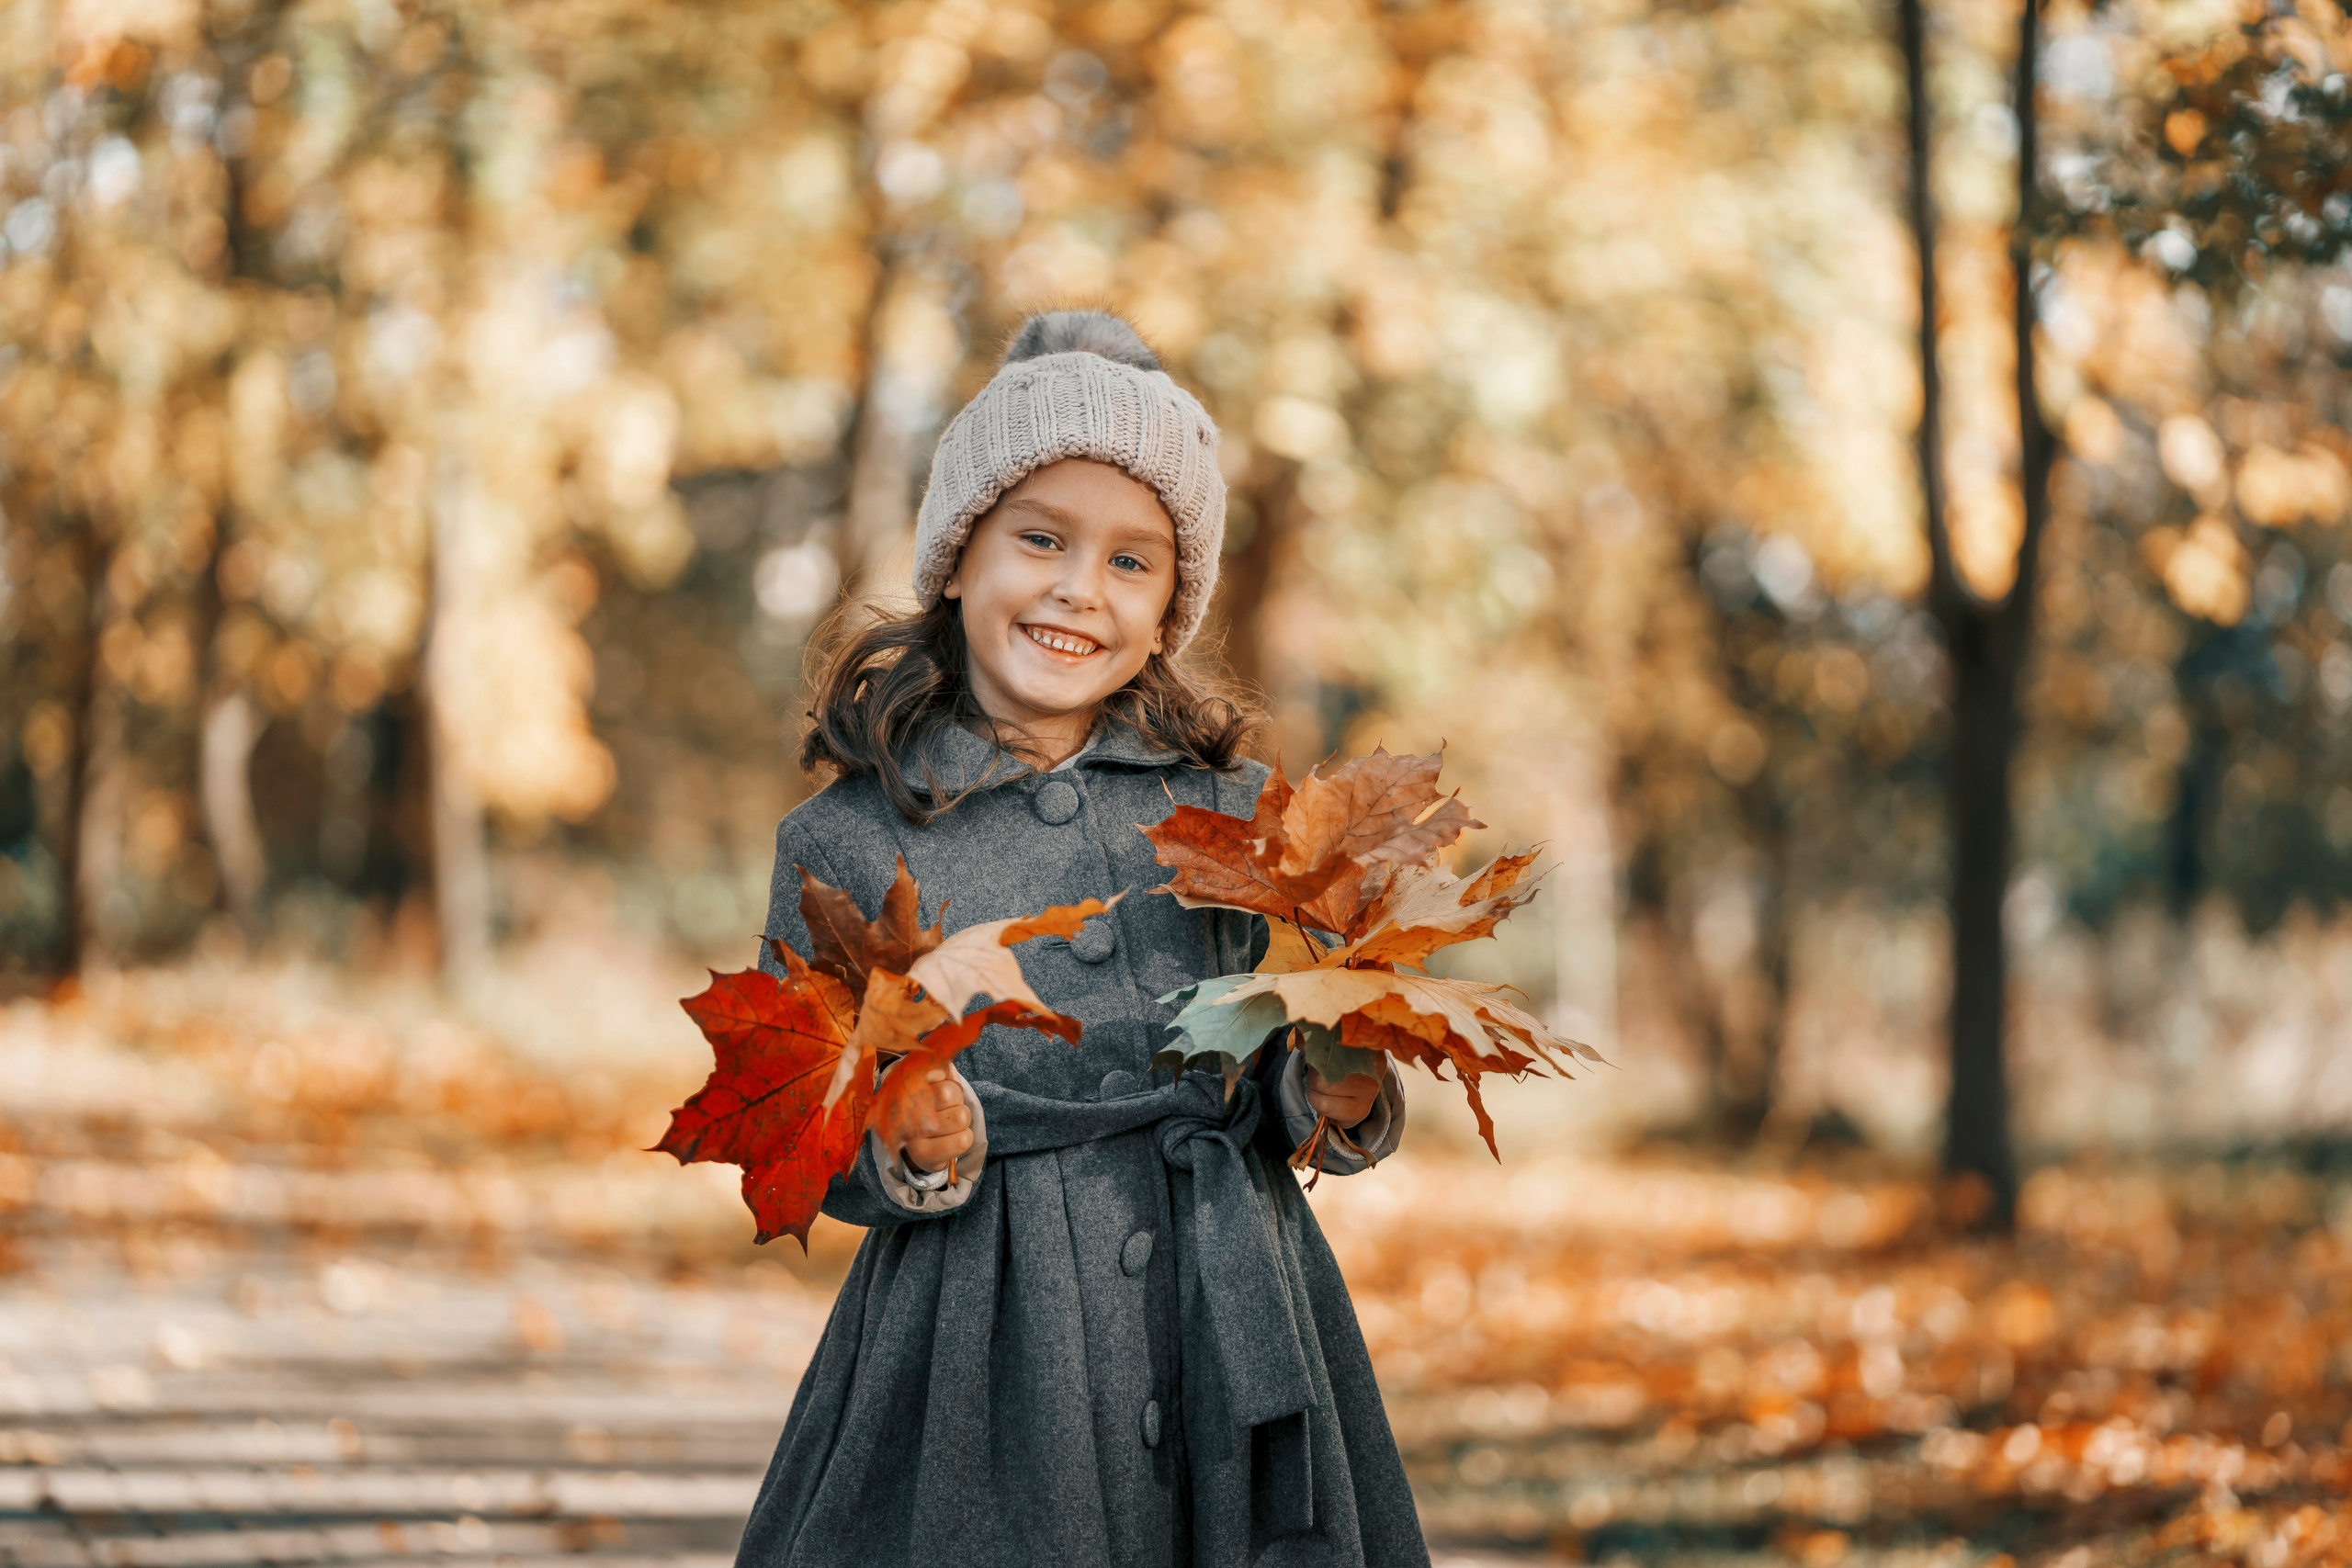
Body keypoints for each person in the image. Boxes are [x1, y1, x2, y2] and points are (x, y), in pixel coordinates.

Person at [733, 310, 1430, 1568]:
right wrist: (903, 1138)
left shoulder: (1235, 819)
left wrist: (1323, 1087)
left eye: (1131, 561)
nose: (1078, 589)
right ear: (959, 556)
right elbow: (796, 1120)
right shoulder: (846, 840)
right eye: (1040, 538)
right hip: (982, 1348)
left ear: (1169, 610)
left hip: (1229, 1314)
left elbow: (1280, 1040)